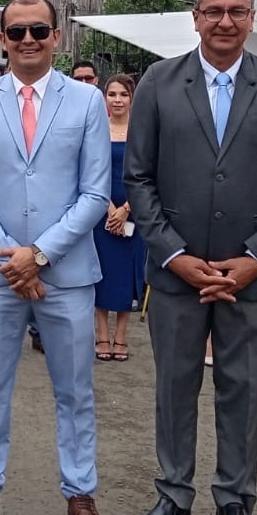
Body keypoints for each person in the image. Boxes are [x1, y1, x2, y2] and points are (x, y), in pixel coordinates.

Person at [126, 0, 257, 515]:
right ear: (195, 16)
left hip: (247, 277)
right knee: (174, 387)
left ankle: (235, 502)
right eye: (213, 11)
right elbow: (139, 178)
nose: (224, 21)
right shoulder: (159, 82)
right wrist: (174, 255)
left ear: (251, 18)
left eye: (237, 11)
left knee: (243, 390)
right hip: (176, 274)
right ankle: (173, 495)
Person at [0, 0, 111, 515]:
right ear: (2, 38)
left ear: (57, 37)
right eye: (17, 31)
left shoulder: (87, 100)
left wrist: (39, 255)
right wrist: (13, 258)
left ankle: (80, 493)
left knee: (75, 391)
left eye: (39, 30)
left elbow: (95, 193)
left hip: (66, 274)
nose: (28, 39)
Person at [93, 74, 146, 363]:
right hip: (101, 209)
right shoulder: (96, 130)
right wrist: (109, 208)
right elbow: (89, 173)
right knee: (102, 272)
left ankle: (121, 336)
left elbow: (148, 175)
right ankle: (102, 333)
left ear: (132, 99)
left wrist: (126, 208)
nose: (117, 100)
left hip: (134, 209)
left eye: (123, 95)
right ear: (105, 98)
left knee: (127, 274)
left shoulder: (143, 133)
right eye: (112, 94)